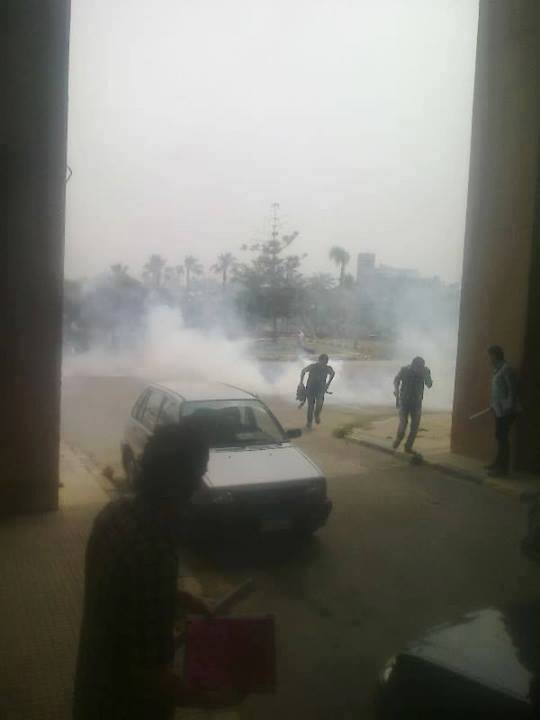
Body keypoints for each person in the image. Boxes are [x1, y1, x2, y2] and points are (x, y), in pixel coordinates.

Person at [73, 420, 241, 719]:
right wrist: (210, 698)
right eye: (198, 473)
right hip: (126, 706)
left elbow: (125, 594)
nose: (199, 483)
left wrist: (180, 599)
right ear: (180, 482)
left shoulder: (114, 514)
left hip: (93, 681)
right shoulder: (155, 549)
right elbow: (147, 675)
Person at [486, 345, 520, 477]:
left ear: (495, 355)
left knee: (503, 437)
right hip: (499, 410)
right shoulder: (497, 370)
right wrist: (492, 405)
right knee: (499, 435)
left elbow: (512, 390)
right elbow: (497, 391)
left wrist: (508, 407)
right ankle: (497, 463)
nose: (489, 359)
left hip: (507, 411)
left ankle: (503, 469)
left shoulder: (507, 369)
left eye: (490, 356)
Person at [393, 356, 433, 453]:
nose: (418, 369)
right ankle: (399, 439)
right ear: (413, 365)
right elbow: (396, 380)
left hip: (416, 402)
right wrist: (396, 392)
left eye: (421, 367)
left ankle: (408, 446)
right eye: (418, 367)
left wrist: (427, 375)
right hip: (404, 401)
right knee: (403, 423)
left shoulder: (424, 371)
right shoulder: (405, 370)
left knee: (415, 426)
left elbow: (429, 385)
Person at [300, 354, 335, 429]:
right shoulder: (313, 366)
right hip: (311, 389)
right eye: (324, 361)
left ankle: (316, 415)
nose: (325, 363)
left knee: (319, 404)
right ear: (319, 360)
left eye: (326, 361)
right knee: (311, 406)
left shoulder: (327, 368)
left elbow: (332, 373)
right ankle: (309, 422)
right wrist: (301, 382)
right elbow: (303, 371)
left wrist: (328, 384)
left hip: (320, 389)